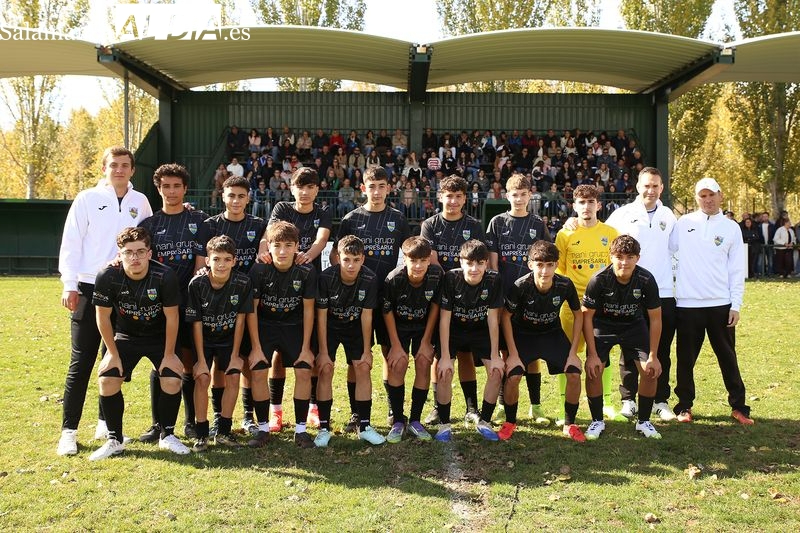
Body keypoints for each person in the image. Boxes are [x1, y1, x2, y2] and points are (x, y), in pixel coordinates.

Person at [57, 146, 153, 457]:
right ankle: (69, 432)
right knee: (82, 360)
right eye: (113, 165)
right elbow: (71, 242)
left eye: (125, 165)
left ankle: (104, 423)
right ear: (104, 169)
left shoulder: (141, 201)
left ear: (132, 170)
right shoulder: (87, 198)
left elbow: (149, 238)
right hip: (88, 286)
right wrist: (70, 284)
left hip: (124, 290)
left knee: (112, 358)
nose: (119, 170)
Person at [89, 227, 188, 460]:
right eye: (128, 252)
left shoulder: (164, 276)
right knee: (107, 380)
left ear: (149, 253)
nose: (135, 257)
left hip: (159, 337)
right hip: (126, 336)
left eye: (140, 252)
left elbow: (172, 317)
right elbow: (102, 317)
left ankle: (167, 435)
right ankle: (115, 440)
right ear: (120, 254)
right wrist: (112, 354)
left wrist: (170, 354)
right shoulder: (108, 276)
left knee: (172, 379)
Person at [332, 166, 411, 432]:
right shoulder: (351, 219)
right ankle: (356, 414)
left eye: (381, 186)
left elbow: (410, 254)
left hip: (388, 299)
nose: (376, 192)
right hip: (357, 301)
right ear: (363, 188)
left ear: (389, 188)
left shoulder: (398, 219)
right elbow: (336, 255)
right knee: (356, 360)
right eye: (372, 186)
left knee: (390, 354)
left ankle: (393, 411)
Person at [670, 177, 752, 425]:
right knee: (685, 359)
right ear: (697, 198)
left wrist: (735, 304)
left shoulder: (731, 228)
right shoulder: (683, 223)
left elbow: (737, 269)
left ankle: (739, 407)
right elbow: (665, 248)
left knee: (728, 357)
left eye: (711, 195)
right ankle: (684, 406)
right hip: (688, 304)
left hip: (721, 305)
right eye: (702, 196)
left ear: (720, 195)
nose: (707, 200)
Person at [137, 164, 208, 445]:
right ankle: (158, 425)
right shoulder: (149, 225)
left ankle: (191, 422)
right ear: (158, 189)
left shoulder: (199, 220)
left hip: (190, 302)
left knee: (188, 361)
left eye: (177, 186)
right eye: (165, 186)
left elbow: (203, 261)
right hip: (159, 305)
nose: (171, 191)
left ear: (185, 189)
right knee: (162, 361)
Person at [258, 167, 332, 431]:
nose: (305, 192)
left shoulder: (323, 212)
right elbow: (269, 235)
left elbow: (322, 239)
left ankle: (312, 408)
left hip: (309, 283)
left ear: (317, 189)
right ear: (292, 188)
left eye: (310, 187)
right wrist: (263, 252)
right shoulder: (282, 208)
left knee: (309, 351)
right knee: (277, 356)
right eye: (300, 186)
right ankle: (275, 411)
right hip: (280, 285)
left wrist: (307, 255)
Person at [604, 167, 677, 422]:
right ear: (638, 187)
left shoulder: (669, 215)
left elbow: (675, 249)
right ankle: (628, 399)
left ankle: (660, 400)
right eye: (646, 185)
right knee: (629, 348)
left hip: (663, 292)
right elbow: (604, 240)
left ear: (661, 188)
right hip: (629, 293)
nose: (651, 190)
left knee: (662, 349)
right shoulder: (622, 214)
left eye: (655, 186)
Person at [196, 175, 267, 436]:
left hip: (249, 301)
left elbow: (264, 251)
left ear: (248, 198)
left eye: (241, 196)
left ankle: (248, 416)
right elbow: (201, 263)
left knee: (245, 361)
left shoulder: (258, 224)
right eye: (231, 195)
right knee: (219, 365)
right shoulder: (210, 225)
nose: (236, 200)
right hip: (216, 304)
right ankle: (218, 417)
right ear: (223, 196)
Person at [501, 240, 585, 442]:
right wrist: (512, 354)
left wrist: (573, 353)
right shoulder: (520, 286)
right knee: (513, 375)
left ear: (556, 264)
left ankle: (570, 424)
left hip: (551, 333)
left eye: (549, 265)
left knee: (574, 372)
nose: (545, 271)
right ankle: (510, 422)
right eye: (539, 265)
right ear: (530, 264)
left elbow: (578, 314)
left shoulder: (565, 284)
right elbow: (505, 317)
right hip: (524, 335)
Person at [581, 235, 663, 440]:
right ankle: (597, 420)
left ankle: (644, 421)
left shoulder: (646, 279)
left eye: (630, 257)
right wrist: (592, 355)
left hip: (634, 326)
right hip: (603, 326)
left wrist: (653, 355)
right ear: (610, 256)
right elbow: (586, 317)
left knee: (650, 371)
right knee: (594, 370)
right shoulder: (599, 279)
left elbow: (655, 319)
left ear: (638, 258)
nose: (624, 262)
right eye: (619, 257)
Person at [420, 175, 486, 426]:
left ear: (465, 199)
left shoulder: (474, 225)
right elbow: (432, 259)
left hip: (469, 297)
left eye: (458, 196)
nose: (453, 201)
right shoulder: (430, 225)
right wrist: (454, 283)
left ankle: (471, 408)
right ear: (440, 197)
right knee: (440, 353)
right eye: (449, 196)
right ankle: (439, 407)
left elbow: (478, 259)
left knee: (466, 354)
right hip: (440, 295)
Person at [486, 173, 551, 425]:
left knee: (532, 356)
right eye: (515, 195)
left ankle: (536, 406)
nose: (519, 199)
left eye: (524, 194)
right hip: (506, 298)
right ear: (507, 196)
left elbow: (545, 257)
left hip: (532, 297)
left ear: (530, 195)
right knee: (505, 354)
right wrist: (498, 293)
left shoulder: (537, 224)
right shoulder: (497, 222)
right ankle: (503, 405)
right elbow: (493, 262)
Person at [247, 222, 317, 448]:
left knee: (304, 370)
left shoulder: (306, 270)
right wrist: (255, 347)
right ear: (268, 246)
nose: (283, 251)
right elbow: (251, 310)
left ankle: (301, 431)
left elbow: (309, 310)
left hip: (293, 326)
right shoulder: (259, 269)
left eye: (288, 245)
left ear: (297, 246)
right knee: (258, 370)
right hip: (265, 325)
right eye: (277, 245)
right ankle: (263, 429)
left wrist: (306, 348)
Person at [554, 184, 619, 424]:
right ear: (574, 206)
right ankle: (564, 406)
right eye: (581, 202)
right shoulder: (565, 234)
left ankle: (607, 403)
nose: (586, 207)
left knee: (601, 354)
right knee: (566, 355)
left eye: (591, 202)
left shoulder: (611, 233)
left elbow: (615, 268)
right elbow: (559, 270)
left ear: (598, 205)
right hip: (571, 306)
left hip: (600, 305)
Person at [185, 235, 254, 451]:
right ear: (207, 260)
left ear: (234, 261)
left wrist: (235, 355)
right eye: (216, 259)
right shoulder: (197, 284)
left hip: (228, 340)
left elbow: (241, 319)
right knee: (203, 378)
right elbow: (196, 323)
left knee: (233, 375)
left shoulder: (242, 282)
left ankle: (224, 431)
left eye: (226, 259)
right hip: (204, 341)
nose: (221, 264)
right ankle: (201, 434)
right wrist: (200, 360)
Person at [316, 235, 385, 446]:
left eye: (356, 260)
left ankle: (364, 426)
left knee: (362, 367)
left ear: (363, 258)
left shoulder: (370, 278)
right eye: (346, 259)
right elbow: (321, 316)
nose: (351, 265)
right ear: (338, 257)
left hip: (355, 327)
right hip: (330, 327)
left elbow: (367, 315)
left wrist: (367, 350)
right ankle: (324, 428)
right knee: (325, 368)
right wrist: (323, 352)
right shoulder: (326, 278)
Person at [436, 240, 504, 442]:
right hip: (454, 330)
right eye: (469, 263)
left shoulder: (494, 279)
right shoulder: (451, 278)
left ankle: (485, 422)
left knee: (497, 371)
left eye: (480, 263)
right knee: (444, 372)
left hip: (480, 330)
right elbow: (444, 319)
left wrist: (495, 355)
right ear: (461, 262)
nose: (474, 269)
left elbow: (493, 319)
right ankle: (444, 424)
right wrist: (445, 356)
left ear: (486, 263)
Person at [382, 237, 443, 442]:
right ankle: (398, 421)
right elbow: (387, 311)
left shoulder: (436, 275)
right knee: (398, 364)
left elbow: (435, 307)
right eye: (413, 260)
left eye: (423, 260)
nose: (418, 266)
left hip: (422, 327)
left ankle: (415, 421)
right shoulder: (394, 278)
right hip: (398, 326)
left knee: (424, 362)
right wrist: (395, 345)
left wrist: (426, 341)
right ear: (405, 259)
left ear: (429, 259)